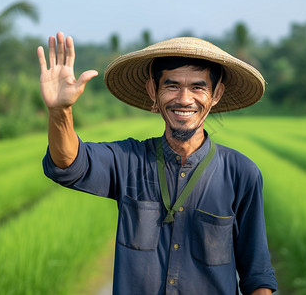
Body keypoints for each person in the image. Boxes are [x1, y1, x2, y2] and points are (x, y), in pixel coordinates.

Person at [37, 32, 277, 295]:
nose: (184, 99)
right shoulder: (128, 160)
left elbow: (257, 275)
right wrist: (60, 111)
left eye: (198, 87)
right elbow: (69, 164)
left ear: (216, 94)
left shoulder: (241, 174)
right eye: (172, 86)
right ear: (153, 91)